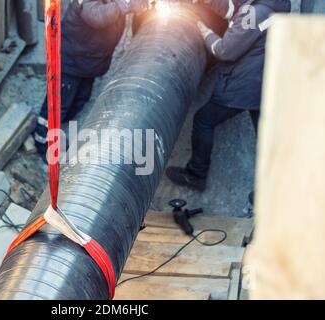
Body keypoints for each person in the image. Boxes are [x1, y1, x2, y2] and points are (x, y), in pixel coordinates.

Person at [166, 0, 291, 192]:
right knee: (265, 137)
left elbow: (225, 51)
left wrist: (203, 30)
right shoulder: (273, 4)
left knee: (203, 120)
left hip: (243, 85)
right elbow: (236, 11)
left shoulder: (255, 13)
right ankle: (275, 189)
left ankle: (196, 175)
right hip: (265, 79)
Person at [34, 0, 149, 161]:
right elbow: (96, 16)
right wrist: (125, 5)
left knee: (79, 102)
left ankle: (56, 132)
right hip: (70, 62)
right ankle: (43, 144)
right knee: (58, 106)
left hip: (88, 64)